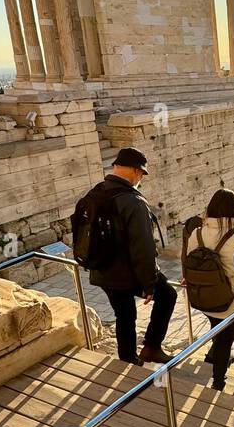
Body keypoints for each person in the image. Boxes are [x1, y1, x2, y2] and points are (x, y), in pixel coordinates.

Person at [73, 147, 177, 365]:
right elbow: (143, 249)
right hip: (125, 273)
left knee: (125, 315)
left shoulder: (95, 193)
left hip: (102, 271)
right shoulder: (134, 202)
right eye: (141, 173)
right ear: (134, 171)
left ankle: (128, 359)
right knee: (167, 295)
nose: (141, 178)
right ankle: (151, 347)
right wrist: (149, 283)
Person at [185, 188, 234, 393]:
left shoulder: (197, 233)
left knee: (221, 340)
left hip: (210, 301)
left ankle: (218, 381)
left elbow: (188, 261)